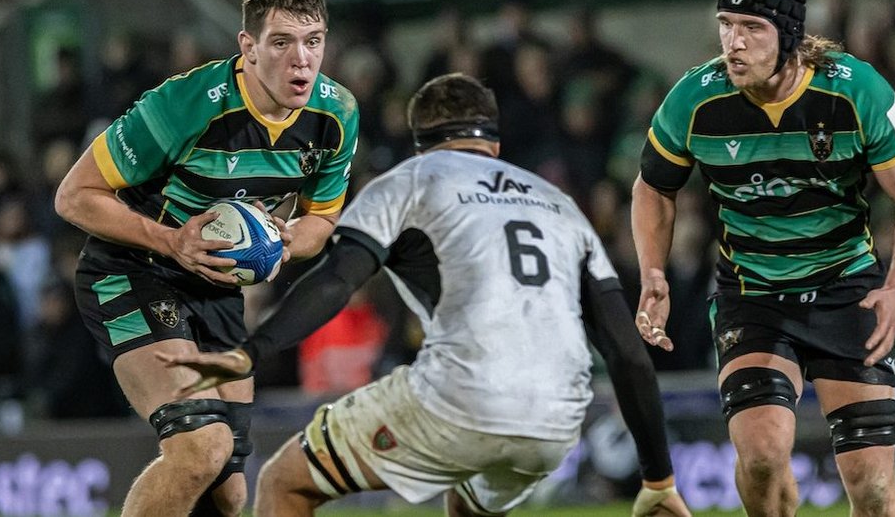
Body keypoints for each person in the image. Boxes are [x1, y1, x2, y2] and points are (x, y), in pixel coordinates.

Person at [164, 73, 689, 517]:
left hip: (461, 394)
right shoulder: (559, 206)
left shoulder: (409, 181)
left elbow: (336, 281)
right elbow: (626, 352)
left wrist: (251, 352)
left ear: (421, 144)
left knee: (285, 481)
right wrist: (659, 480)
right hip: (555, 421)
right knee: (468, 499)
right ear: (495, 147)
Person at [630, 0, 895, 515]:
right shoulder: (694, 99)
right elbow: (653, 187)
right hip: (754, 296)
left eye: (752, 27)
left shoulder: (855, 90)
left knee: (870, 484)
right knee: (762, 456)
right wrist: (653, 270)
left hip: (847, 290)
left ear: (788, 33)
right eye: (726, 25)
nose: (734, 42)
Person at [53, 0, 358, 517]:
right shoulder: (186, 104)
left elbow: (322, 219)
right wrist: (171, 239)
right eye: (282, 42)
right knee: (200, 449)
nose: (301, 61)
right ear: (248, 47)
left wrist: (281, 244)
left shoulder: (336, 115)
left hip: (216, 288)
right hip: (130, 273)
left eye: (313, 41)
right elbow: (74, 196)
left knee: (231, 490)